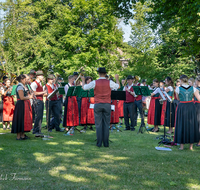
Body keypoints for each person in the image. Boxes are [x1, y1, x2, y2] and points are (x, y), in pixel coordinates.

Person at [81, 67, 120, 147]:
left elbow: (84, 88)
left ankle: (99, 143)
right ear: (105, 74)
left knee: (98, 125)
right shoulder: (109, 82)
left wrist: (83, 80)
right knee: (106, 124)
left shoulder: (95, 82)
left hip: (98, 104)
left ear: (98, 74)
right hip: (107, 104)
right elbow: (118, 86)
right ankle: (106, 143)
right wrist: (117, 78)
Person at [174, 75, 200, 150]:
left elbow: (178, 98)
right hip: (191, 107)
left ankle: (181, 146)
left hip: (182, 106)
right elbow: (199, 98)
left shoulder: (177, 89)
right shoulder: (194, 88)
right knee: (191, 124)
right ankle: (190, 147)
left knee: (181, 124)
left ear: (181, 80)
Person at [11, 74, 33, 140]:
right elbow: (21, 97)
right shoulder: (20, 86)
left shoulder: (24, 86)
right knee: (20, 119)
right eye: (25, 79)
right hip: (21, 104)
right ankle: (18, 136)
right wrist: (30, 97)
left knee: (24, 119)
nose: (26, 80)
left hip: (24, 104)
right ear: (21, 80)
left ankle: (23, 135)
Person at [30, 70, 47, 137]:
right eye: (41, 75)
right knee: (38, 116)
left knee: (40, 116)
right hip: (37, 101)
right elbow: (34, 93)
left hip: (40, 100)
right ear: (38, 76)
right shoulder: (34, 83)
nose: (42, 77)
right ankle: (35, 130)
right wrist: (43, 92)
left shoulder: (40, 83)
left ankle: (38, 130)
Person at [194, 76, 200, 146]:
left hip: (198, 106)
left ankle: (199, 141)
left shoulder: (197, 89)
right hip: (196, 105)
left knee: (198, 123)